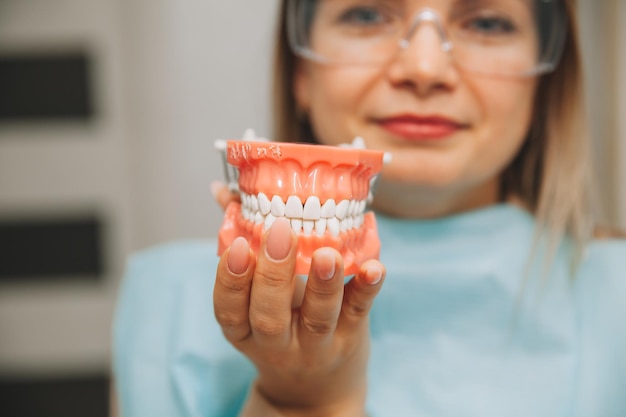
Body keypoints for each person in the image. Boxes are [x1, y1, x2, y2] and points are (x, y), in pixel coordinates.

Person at [113, 0, 626, 416]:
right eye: (366, 15)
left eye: (487, 23)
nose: (424, 69)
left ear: (546, 80)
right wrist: (299, 402)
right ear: (301, 72)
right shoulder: (166, 312)